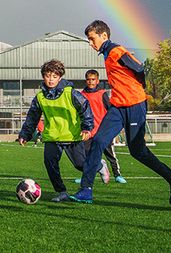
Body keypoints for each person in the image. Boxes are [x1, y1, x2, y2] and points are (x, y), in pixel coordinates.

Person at [71, 20, 171, 205]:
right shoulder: (107, 53)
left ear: (104, 36)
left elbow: (139, 68)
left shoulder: (116, 51)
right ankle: (86, 190)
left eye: (92, 39)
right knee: (98, 141)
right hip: (118, 106)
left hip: (134, 105)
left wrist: (139, 89)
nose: (91, 43)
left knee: (138, 152)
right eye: (89, 40)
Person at [18, 59, 106, 202]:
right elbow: (32, 117)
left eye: (54, 76)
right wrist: (25, 135)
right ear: (43, 77)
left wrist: (86, 128)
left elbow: (85, 108)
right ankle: (62, 192)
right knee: (50, 164)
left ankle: (99, 165)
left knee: (80, 165)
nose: (51, 79)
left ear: (60, 77)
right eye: (47, 76)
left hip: (72, 136)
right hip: (52, 137)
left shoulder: (70, 93)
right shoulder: (40, 97)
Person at [77, 69, 125, 184]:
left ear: (97, 81)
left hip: (103, 130)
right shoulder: (81, 95)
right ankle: (86, 176)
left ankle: (117, 174)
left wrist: (114, 126)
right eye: (88, 79)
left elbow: (110, 110)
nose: (91, 82)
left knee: (110, 153)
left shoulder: (102, 94)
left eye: (93, 79)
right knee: (87, 155)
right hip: (88, 131)